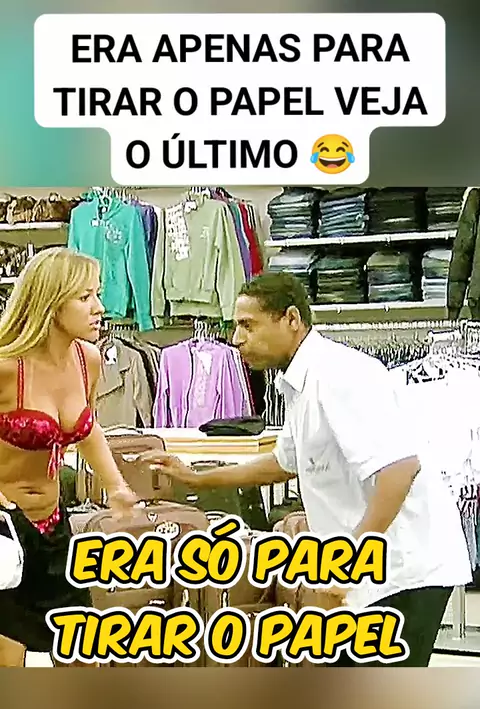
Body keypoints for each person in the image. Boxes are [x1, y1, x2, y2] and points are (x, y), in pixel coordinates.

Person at [140, 271, 472, 666]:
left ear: (292, 319)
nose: (236, 339)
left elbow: (400, 469)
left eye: (248, 325)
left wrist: (350, 564)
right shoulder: (301, 381)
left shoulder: (339, 376)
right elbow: (285, 462)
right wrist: (198, 477)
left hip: (405, 570)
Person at [0, 246, 139, 666]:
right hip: (5, 531)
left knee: (80, 646)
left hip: (54, 525)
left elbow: (87, 427)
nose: (99, 308)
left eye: (97, 294)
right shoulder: (7, 366)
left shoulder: (87, 360)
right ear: (51, 303)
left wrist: (116, 486)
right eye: (84, 297)